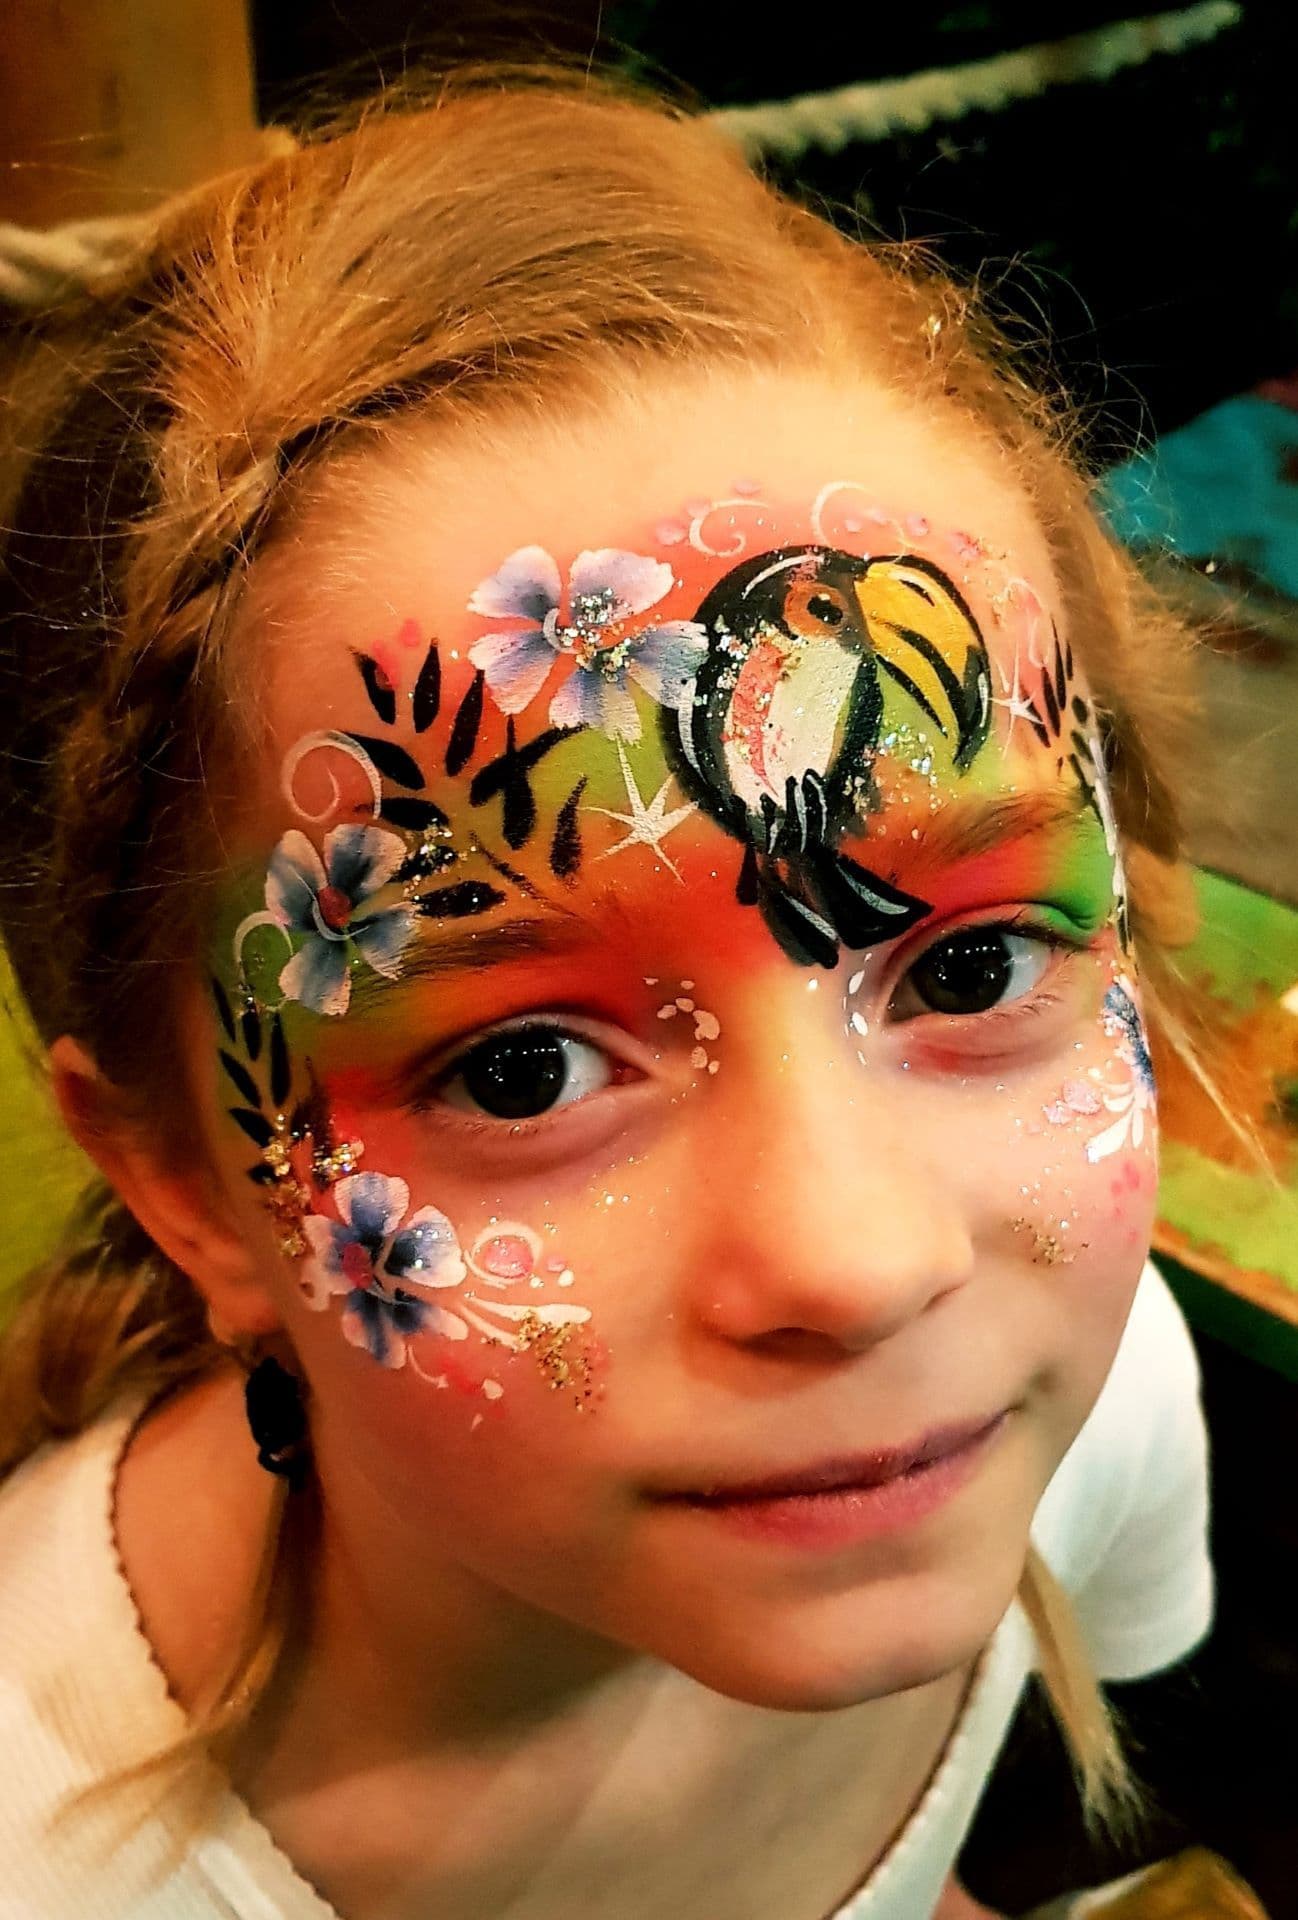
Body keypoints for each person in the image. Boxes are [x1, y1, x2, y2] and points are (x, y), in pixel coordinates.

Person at [0, 67, 1215, 1920]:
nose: (862, 1264)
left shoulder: (1079, 1415)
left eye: (965, 964)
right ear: (185, 1186)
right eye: (520, 1074)